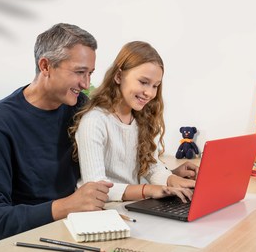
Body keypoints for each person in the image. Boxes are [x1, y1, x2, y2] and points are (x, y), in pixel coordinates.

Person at [0, 23, 113, 242]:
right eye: (79, 72)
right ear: (45, 66)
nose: (86, 84)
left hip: (76, 232)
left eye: (90, 73)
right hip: (24, 241)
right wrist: (65, 207)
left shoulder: (80, 108)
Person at [70, 41, 198, 202]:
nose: (149, 93)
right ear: (118, 76)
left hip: (132, 205)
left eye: (155, 85)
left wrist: (174, 181)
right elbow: (96, 187)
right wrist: (149, 190)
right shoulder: (94, 121)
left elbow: (152, 167)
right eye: (143, 82)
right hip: (101, 210)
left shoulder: (141, 119)